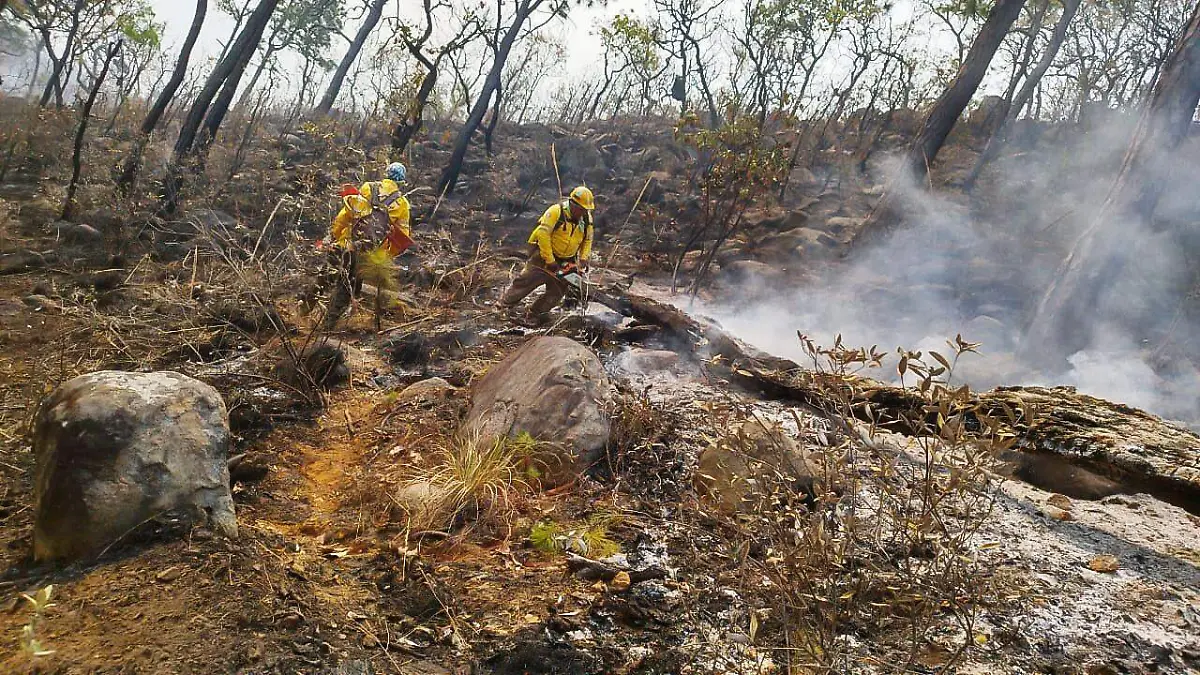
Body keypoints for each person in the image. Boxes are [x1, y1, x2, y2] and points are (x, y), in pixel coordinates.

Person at [320, 162, 413, 328]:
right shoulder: (403, 204)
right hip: (366, 254)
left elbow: (345, 215)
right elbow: (402, 239)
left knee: (324, 277)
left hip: (345, 242)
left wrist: (335, 235)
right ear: (401, 182)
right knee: (347, 289)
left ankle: (303, 309)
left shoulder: (368, 187)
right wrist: (384, 257)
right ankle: (326, 326)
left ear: (386, 174)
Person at [499, 186, 595, 325]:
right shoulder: (556, 211)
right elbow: (543, 235)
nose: (583, 213)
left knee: (557, 290)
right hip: (543, 253)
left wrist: (583, 258)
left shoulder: (586, 219)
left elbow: (588, 240)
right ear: (573, 204)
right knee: (526, 281)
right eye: (581, 209)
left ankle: (534, 314)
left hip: (567, 258)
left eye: (585, 210)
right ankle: (502, 306)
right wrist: (549, 260)